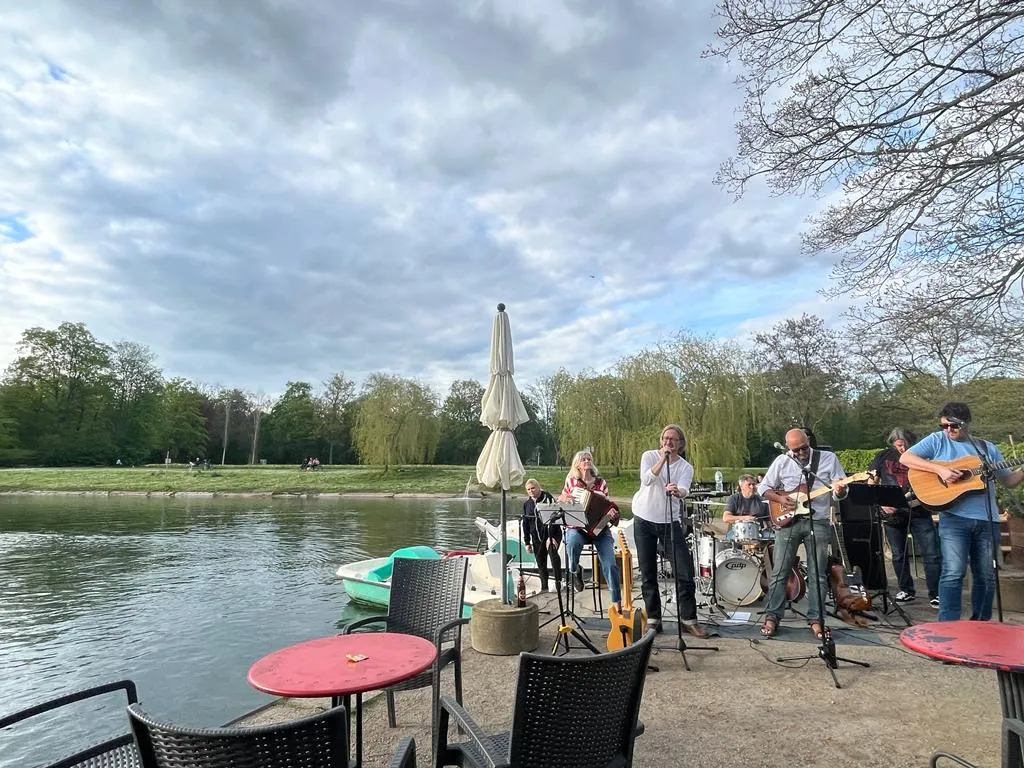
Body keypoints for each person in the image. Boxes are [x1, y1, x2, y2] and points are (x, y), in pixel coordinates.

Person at [899, 402, 1024, 621]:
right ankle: (948, 627)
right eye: (944, 425)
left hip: (988, 520)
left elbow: (1009, 481)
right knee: (953, 573)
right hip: (954, 519)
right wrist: (940, 469)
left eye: (953, 426)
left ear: (966, 423)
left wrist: (1022, 470)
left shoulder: (986, 448)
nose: (948, 430)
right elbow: (906, 458)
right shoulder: (937, 440)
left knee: (986, 576)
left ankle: (980, 625)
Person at [758, 428, 849, 639]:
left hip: (817, 521)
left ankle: (817, 619)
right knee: (780, 571)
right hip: (788, 521)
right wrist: (781, 500)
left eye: (803, 447)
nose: (800, 453)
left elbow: (840, 489)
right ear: (788, 448)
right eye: (795, 450)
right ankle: (772, 616)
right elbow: (763, 488)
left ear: (809, 441)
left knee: (817, 574)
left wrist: (841, 490)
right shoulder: (782, 461)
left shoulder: (828, 458)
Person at [630, 425, 709, 638]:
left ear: (680, 444)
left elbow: (684, 489)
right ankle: (654, 619)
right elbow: (647, 479)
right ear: (661, 441)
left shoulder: (685, 467)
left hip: (669, 522)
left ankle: (688, 619)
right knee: (648, 572)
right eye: (665, 439)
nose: (669, 443)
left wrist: (677, 491)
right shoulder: (649, 456)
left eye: (673, 440)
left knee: (684, 571)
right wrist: (662, 460)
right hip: (644, 519)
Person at [869, 427, 940, 606]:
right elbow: (872, 481)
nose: (903, 448)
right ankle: (905, 590)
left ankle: (937, 593)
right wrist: (881, 503)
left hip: (919, 509)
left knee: (931, 553)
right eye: (899, 445)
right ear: (893, 443)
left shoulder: (921, 455)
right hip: (893, 512)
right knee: (898, 554)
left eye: (906, 444)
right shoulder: (883, 456)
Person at [559, 449, 621, 610]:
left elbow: (607, 504)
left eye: (589, 459)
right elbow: (561, 499)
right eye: (583, 459)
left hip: (599, 528)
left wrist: (611, 512)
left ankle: (617, 603)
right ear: (577, 465)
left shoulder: (601, 483)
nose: (587, 461)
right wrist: (565, 498)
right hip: (578, 526)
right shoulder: (571, 482)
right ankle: (575, 569)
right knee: (571, 541)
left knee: (610, 564)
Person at [520, 479, 562, 592]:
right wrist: (527, 542)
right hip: (536, 537)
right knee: (540, 562)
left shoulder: (548, 498)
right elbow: (526, 525)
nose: (531, 491)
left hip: (551, 534)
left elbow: (555, 518)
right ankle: (544, 588)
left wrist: (551, 536)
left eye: (533, 488)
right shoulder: (527, 504)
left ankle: (559, 582)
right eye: (528, 489)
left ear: (539, 487)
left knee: (553, 554)